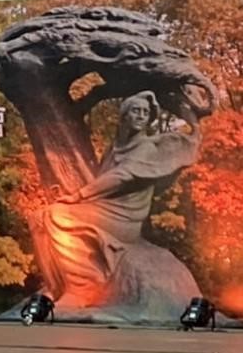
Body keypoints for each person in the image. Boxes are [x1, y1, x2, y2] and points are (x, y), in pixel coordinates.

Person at [32, 90, 200, 307]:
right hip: (105, 208)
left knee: (58, 216)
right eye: (136, 111)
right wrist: (80, 200)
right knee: (38, 217)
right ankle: (57, 286)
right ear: (124, 116)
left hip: (125, 217)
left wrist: (78, 196)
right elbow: (102, 179)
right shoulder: (114, 148)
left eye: (145, 113)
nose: (141, 116)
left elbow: (121, 176)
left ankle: (82, 288)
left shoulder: (146, 147)